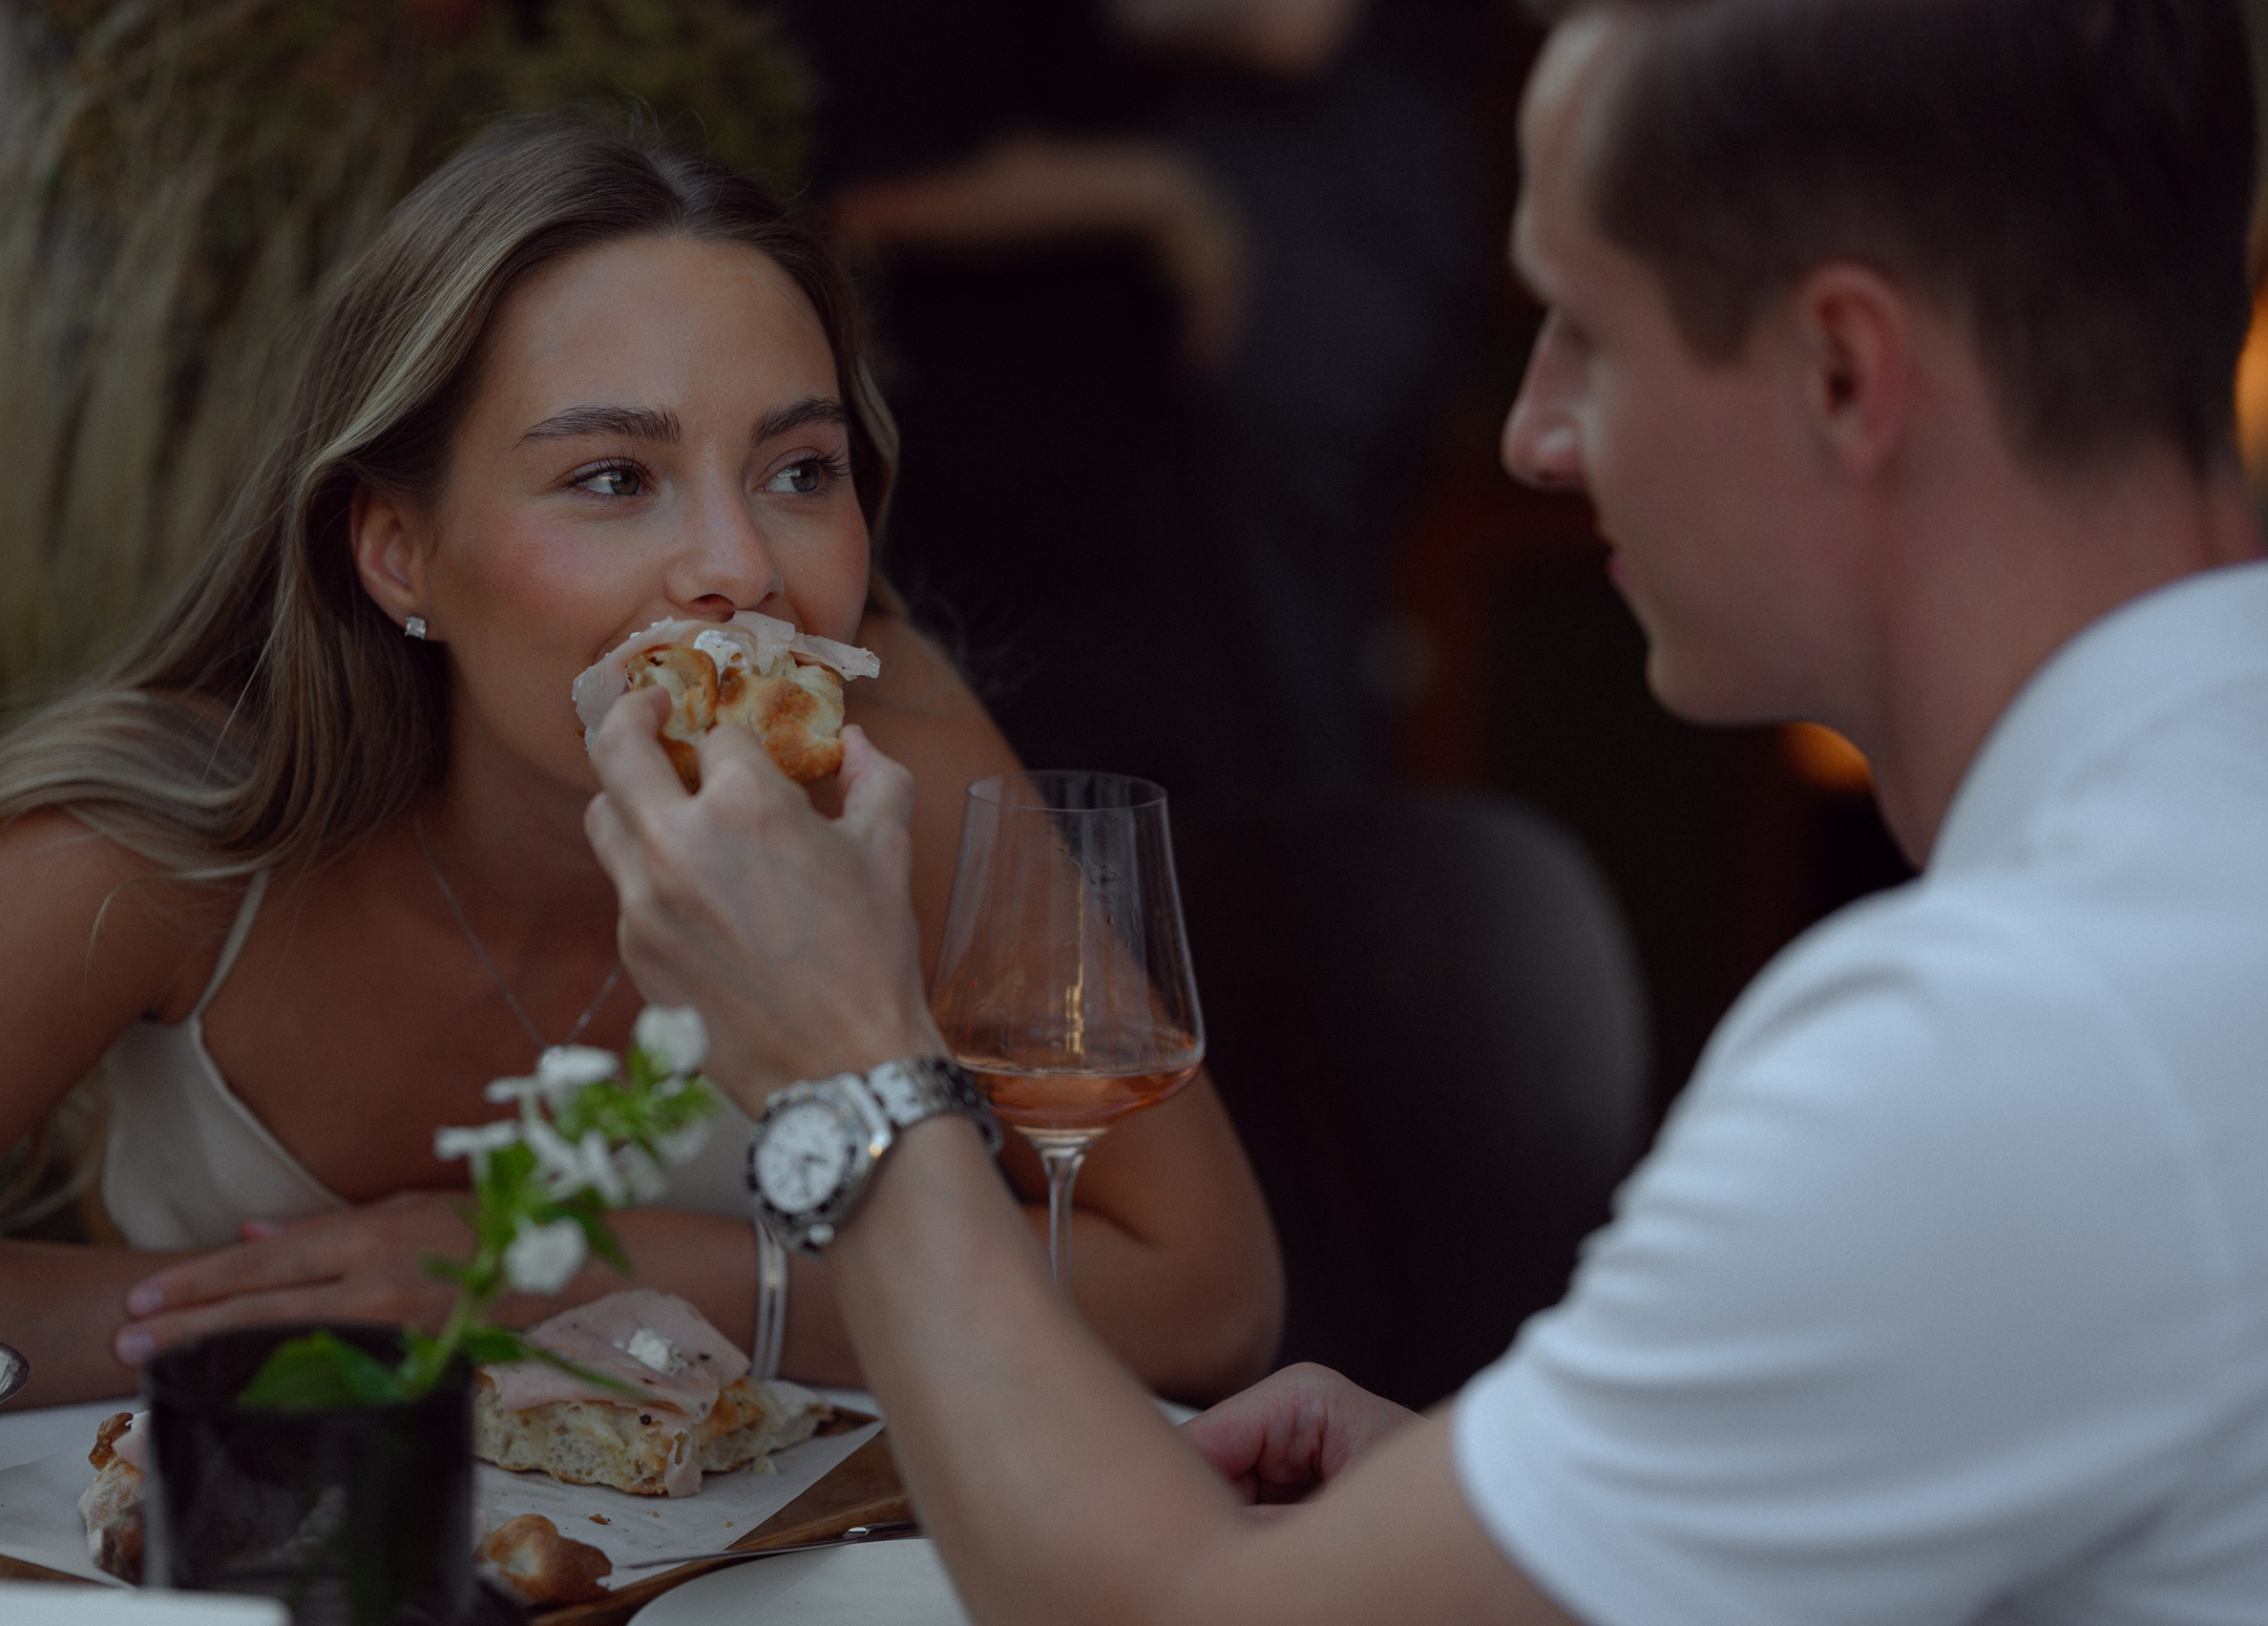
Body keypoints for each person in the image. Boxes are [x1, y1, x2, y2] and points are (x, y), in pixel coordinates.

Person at [581, 0, 2268, 1619]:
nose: (1536, 433)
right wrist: (1566, 1504)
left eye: (1587, 330)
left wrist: (849, 1077)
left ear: (1843, 371)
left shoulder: (1998, 1046)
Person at [0, 120, 1283, 1407]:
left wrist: (621, 1282)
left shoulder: (892, 766)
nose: (738, 569)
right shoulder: (165, 832)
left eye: (798, 472)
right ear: (400, 552)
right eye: (611, 479)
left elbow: (1208, 1296)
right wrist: (281, 1328)